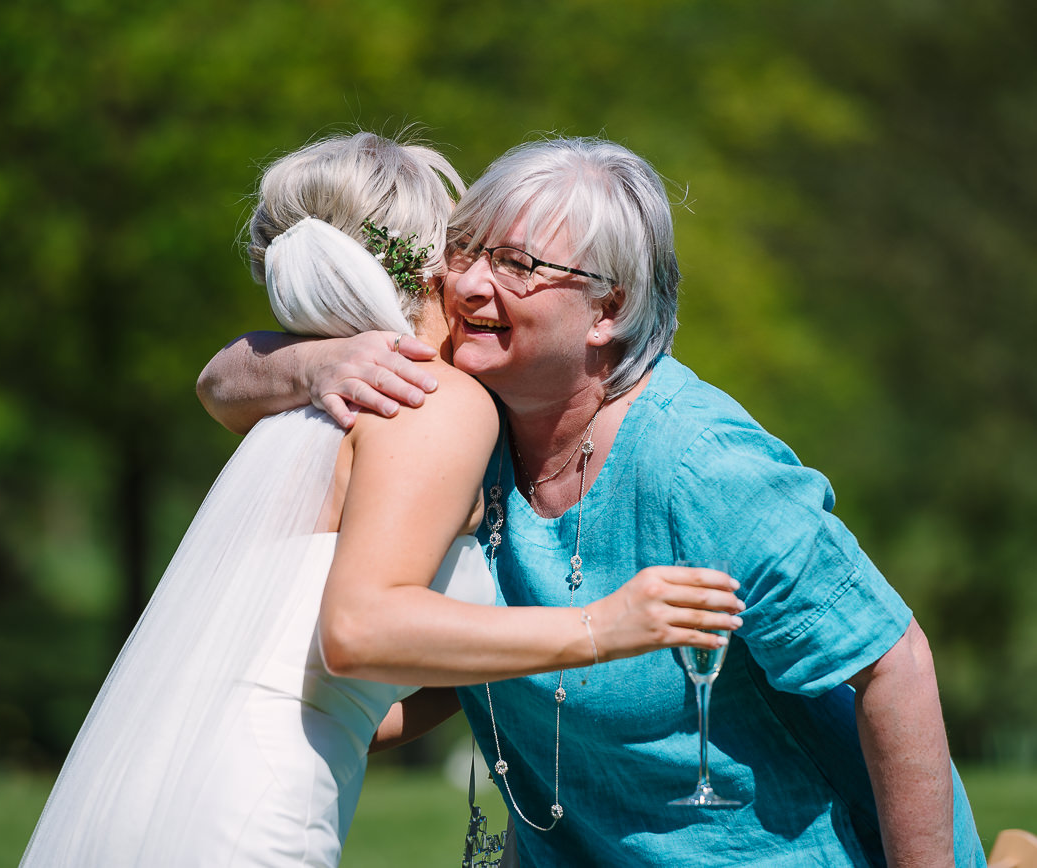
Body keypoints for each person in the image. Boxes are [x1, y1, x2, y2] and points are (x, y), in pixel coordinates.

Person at [197, 136, 988, 866]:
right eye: (465, 249)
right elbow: (222, 382)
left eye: (518, 264)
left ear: (607, 310)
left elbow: (896, 663)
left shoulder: (703, 466)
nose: (468, 282)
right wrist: (318, 365)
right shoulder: (468, 416)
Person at [20, 132, 743, 868]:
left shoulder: (316, 403)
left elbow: (218, 385)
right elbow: (359, 628)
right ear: (431, 265)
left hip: (160, 783)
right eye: (471, 251)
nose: (478, 282)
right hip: (255, 808)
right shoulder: (430, 400)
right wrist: (599, 627)